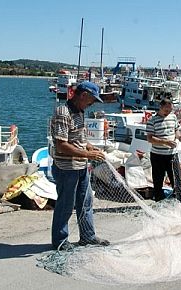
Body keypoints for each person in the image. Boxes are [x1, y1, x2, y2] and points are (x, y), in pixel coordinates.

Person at [50, 81, 110, 250]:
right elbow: (61, 144)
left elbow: (77, 138)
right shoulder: (63, 112)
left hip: (81, 166)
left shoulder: (80, 111)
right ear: (83, 95)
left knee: (85, 202)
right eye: (91, 100)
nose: (92, 104)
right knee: (65, 206)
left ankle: (88, 236)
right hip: (66, 169)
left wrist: (89, 146)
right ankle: (60, 241)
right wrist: (87, 154)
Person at [146, 98, 181, 202]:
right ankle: (159, 199)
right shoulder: (152, 120)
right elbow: (150, 138)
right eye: (166, 110)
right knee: (158, 179)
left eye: (170, 110)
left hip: (172, 154)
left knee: (176, 177)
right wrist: (165, 142)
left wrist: (180, 137)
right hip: (157, 155)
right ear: (161, 107)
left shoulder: (173, 117)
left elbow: (176, 130)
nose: (168, 112)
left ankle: (179, 198)